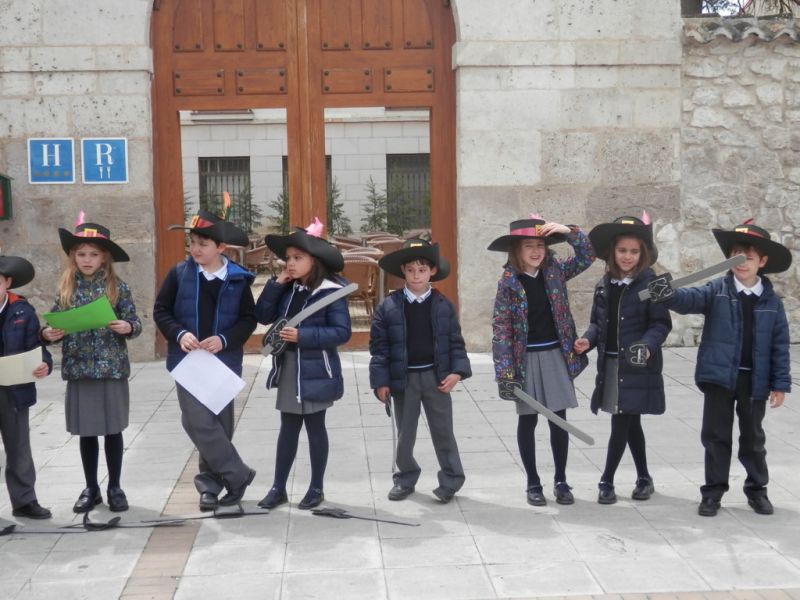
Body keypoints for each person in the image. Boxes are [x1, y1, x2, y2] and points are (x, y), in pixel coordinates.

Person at [646, 219, 792, 517]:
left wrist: (780, 383)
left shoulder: (772, 303)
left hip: (755, 382)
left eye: (748, 257)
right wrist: (661, 286)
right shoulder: (716, 290)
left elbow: (780, 345)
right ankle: (713, 492)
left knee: (753, 440)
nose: (741, 262)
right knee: (715, 437)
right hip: (719, 378)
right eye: (736, 256)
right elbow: (686, 299)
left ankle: (757, 490)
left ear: (762, 262)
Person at [154, 209, 257, 511]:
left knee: (219, 424)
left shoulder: (238, 279)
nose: (195, 249)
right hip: (188, 361)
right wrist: (180, 333)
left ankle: (210, 486)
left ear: (221, 247)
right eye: (192, 243)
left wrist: (224, 339)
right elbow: (161, 311)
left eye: (203, 244)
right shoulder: (179, 274)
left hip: (223, 362)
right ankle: (238, 474)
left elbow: (248, 320)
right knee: (195, 419)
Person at [489, 215, 594, 506]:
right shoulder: (508, 282)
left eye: (540, 245)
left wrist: (568, 231)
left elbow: (588, 256)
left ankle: (561, 480)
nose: (536, 251)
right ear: (516, 250)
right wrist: (505, 373)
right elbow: (501, 329)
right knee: (528, 419)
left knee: (559, 419)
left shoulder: (556, 271)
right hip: (525, 360)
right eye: (528, 246)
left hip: (555, 355)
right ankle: (533, 482)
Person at [42, 217, 142, 513]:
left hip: (111, 368)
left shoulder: (118, 288)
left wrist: (127, 326)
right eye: (81, 254)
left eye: (93, 254)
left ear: (104, 258)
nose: (87, 260)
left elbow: (135, 322)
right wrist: (49, 333)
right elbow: (53, 322)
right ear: (73, 257)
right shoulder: (66, 289)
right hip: (80, 369)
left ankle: (115, 487)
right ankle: (91, 487)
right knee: (87, 431)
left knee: (113, 430)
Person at [574, 214, 672, 504]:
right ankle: (644, 478)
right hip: (611, 364)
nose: (628, 256)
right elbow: (597, 323)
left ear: (643, 254)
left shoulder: (650, 283)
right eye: (622, 250)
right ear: (612, 252)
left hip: (637, 365)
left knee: (622, 421)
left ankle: (606, 480)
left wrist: (647, 345)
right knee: (630, 421)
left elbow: (661, 324)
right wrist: (587, 339)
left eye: (634, 251)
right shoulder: (604, 285)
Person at [255, 218, 351, 511]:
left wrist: (303, 335)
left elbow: (342, 332)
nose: (290, 264)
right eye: (288, 258)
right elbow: (263, 315)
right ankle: (278, 488)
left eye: (298, 258)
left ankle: (316, 487)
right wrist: (276, 284)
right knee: (288, 427)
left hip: (317, 368)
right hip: (288, 367)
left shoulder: (331, 291)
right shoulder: (288, 288)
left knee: (315, 427)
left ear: (314, 260)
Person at [369, 238, 471, 503]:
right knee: (405, 434)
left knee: (443, 432)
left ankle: (451, 480)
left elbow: (455, 343)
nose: (416, 275)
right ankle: (405, 477)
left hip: (437, 378)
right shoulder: (388, 306)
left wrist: (457, 372)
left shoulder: (443, 305)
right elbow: (379, 348)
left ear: (432, 271)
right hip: (404, 380)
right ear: (403, 271)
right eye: (411, 270)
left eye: (422, 270)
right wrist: (381, 381)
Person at [0, 256, 53, 519]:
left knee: (19, 446)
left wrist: (44, 364)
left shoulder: (22, 311)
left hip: (14, 389)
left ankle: (24, 501)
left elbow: (37, 347)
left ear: (7, 282)